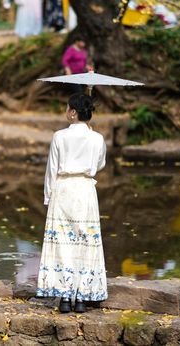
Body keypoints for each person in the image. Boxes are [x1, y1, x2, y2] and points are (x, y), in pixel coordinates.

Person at [37, 93, 108, 313]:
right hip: (85, 190)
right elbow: (101, 163)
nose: (66, 111)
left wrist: (48, 197)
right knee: (85, 243)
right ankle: (81, 298)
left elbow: (51, 169)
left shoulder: (59, 136)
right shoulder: (97, 138)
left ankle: (65, 298)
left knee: (63, 244)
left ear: (74, 112)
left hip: (64, 190)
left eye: (68, 108)